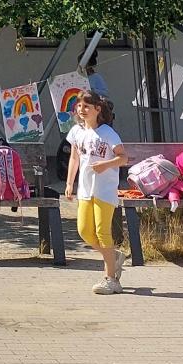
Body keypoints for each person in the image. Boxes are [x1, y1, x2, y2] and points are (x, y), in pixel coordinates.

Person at [62, 91, 128, 294]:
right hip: (85, 189)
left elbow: (123, 157)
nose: (82, 110)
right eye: (79, 107)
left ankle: (111, 279)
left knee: (102, 231)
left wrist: (106, 164)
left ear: (97, 110)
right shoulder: (76, 132)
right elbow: (74, 158)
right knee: (84, 231)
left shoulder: (107, 133)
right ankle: (113, 256)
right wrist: (69, 182)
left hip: (104, 190)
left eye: (86, 107)